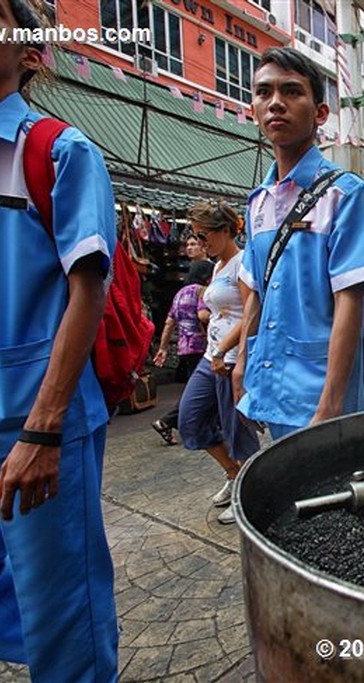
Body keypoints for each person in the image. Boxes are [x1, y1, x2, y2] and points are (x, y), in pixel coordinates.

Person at [0, 1, 118, 678]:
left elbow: (86, 289)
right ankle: (54, 627)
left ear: (28, 52)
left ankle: (70, 637)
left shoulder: (60, 150)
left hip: (35, 418)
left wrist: (42, 431)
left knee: (67, 617)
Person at [234, 47, 364, 441]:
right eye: (264, 93)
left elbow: (349, 300)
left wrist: (331, 405)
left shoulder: (345, 195)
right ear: (253, 108)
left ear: (320, 113)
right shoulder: (258, 202)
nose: (276, 103)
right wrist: (241, 365)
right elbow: (256, 294)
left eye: (292, 92)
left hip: (320, 393)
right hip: (270, 384)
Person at [176, 201, 260, 525]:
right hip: (210, 358)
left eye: (204, 234)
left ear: (225, 230)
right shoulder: (216, 266)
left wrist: (230, 349)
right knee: (190, 419)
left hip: (229, 359)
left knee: (237, 431)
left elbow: (252, 310)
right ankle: (234, 474)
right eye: (196, 235)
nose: (200, 241)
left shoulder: (242, 263)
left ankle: (250, 493)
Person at [151, 259, 215, 445]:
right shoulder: (201, 291)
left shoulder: (180, 293)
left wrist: (163, 347)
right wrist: (222, 314)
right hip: (200, 346)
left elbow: (169, 322)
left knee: (196, 386)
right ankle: (167, 421)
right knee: (202, 388)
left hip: (184, 347)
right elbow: (203, 315)